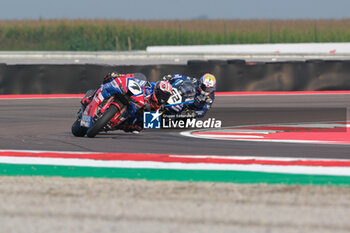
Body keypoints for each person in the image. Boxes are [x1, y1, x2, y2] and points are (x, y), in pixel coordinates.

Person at [81, 71, 172, 132]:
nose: (162, 98)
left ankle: (117, 125)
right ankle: (91, 97)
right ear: (157, 90)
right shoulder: (150, 86)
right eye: (162, 94)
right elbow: (135, 78)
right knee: (110, 78)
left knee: (138, 127)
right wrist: (119, 76)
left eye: (165, 96)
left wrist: (148, 119)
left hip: (131, 111)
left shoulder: (158, 106)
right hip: (129, 95)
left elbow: (150, 123)